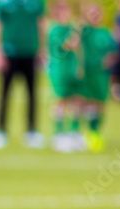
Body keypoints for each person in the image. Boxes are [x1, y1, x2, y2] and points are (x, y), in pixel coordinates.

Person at [0, 0, 46, 150]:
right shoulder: (2, 3)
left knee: (32, 94)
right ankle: (0, 130)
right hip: (9, 54)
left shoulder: (37, 2)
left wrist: (42, 48)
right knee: (5, 94)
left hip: (30, 52)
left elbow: (42, 23)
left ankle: (32, 131)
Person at [77, 2, 117, 153]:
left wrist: (109, 60)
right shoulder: (85, 30)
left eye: (97, 13)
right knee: (82, 102)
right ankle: (77, 132)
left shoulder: (105, 32)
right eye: (91, 13)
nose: (94, 16)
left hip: (100, 75)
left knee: (99, 104)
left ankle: (94, 131)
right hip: (86, 73)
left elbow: (114, 51)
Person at [46, 1, 83, 152]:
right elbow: (65, 45)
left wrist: (80, 66)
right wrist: (75, 36)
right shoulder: (54, 29)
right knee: (61, 100)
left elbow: (78, 49)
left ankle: (74, 132)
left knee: (76, 100)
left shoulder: (71, 28)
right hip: (59, 70)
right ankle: (58, 134)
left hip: (72, 69)